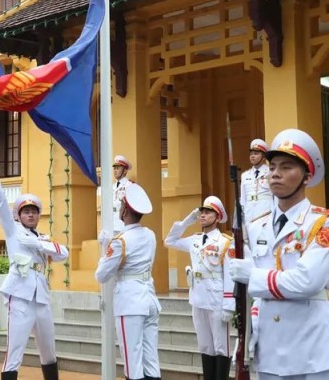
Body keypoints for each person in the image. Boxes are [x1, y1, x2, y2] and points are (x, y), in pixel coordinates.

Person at [229, 129, 329, 380]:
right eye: (272, 166)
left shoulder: (325, 223)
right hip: (270, 350)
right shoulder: (256, 226)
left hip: (313, 351)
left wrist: (253, 277)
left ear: (306, 176)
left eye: (286, 167)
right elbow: (253, 296)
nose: (275, 173)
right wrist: (247, 332)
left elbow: (307, 281)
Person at [0, 154, 68, 380]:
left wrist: (36, 243)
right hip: (20, 297)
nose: (31, 214)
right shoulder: (13, 231)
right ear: (19, 215)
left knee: (49, 351)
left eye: (34, 211)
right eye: (26, 212)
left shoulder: (42, 238)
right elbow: (1, 202)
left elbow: (63, 253)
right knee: (14, 352)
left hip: (41, 298)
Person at [95, 183, 161, 380]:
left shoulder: (120, 242)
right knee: (151, 361)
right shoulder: (150, 235)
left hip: (130, 302)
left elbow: (101, 274)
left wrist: (105, 247)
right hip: (149, 298)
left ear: (124, 211)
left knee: (133, 362)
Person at [164, 196, 235, 380]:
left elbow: (229, 275)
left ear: (218, 217)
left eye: (208, 212)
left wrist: (229, 304)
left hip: (217, 299)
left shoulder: (225, 242)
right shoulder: (195, 240)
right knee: (205, 346)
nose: (203, 215)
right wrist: (188, 220)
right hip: (198, 298)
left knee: (221, 347)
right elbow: (169, 241)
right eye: (201, 212)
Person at [235, 139, 274, 236]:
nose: (252, 156)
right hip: (249, 213)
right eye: (251, 153)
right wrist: (243, 217)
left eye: (256, 153)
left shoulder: (271, 172)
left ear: (264, 156)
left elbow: (275, 196)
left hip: (266, 212)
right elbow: (243, 199)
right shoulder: (245, 175)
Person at [113, 155, 134, 232]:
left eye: (118, 168)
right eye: (114, 168)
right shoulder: (112, 187)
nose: (115, 171)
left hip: (123, 225)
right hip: (111, 225)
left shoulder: (129, 185)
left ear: (125, 171)